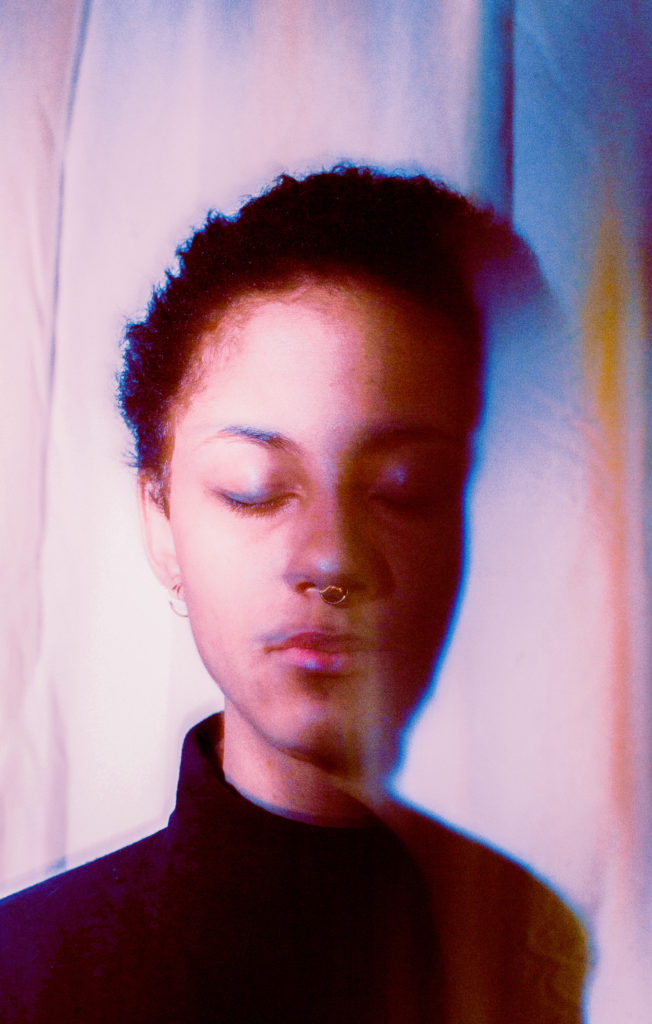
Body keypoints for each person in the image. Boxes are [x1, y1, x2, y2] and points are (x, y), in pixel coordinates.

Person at [0, 166, 588, 1023]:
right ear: (160, 519)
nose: (330, 558)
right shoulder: (23, 977)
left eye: (403, 488)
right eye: (253, 490)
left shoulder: (543, 953)